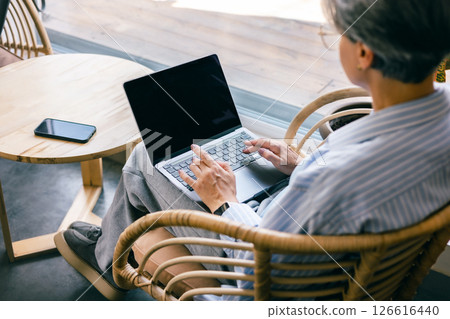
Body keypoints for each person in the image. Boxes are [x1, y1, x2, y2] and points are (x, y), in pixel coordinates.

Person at [55, 0, 450, 300]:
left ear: (364, 54)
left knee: (146, 158)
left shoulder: (333, 174)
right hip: (350, 271)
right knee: (203, 163)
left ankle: (107, 261)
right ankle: (112, 244)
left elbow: (253, 270)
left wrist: (224, 203)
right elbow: (344, 195)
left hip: (263, 287)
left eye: (339, 34)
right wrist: (298, 166)